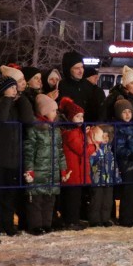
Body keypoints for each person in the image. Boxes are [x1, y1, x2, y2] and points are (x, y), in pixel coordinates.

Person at [0, 76, 34, 236]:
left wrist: (23, 98)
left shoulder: (18, 105)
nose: (15, 89)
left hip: (13, 158)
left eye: (15, 87)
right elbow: (1, 118)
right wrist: (6, 99)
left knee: (10, 194)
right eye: (11, 87)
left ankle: (8, 223)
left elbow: (28, 120)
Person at [23, 94, 69, 235]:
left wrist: (63, 169)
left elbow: (60, 151)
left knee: (50, 199)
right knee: (36, 200)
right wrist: (29, 169)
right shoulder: (34, 129)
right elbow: (29, 151)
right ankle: (35, 225)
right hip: (38, 170)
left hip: (52, 171)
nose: (56, 113)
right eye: (53, 110)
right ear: (44, 112)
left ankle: (46, 223)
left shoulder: (55, 129)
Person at [58, 97, 93, 231]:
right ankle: (70, 221)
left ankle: (73, 219)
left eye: (82, 116)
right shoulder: (71, 133)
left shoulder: (76, 131)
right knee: (72, 198)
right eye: (78, 116)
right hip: (72, 171)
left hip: (76, 170)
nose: (81, 119)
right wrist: (94, 146)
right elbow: (82, 150)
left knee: (75, 197)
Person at [87, 125, 118, 227]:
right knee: (96, 200)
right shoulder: (95, 150)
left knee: (107, 201)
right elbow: (90, 163)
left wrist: (117, 177)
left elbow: (114, 165)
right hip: (97, 180)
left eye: (107, 137)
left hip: (108, 181)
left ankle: (105, 218)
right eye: (102, 136)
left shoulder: (110, 151)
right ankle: (95, 220)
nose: (105, 139)